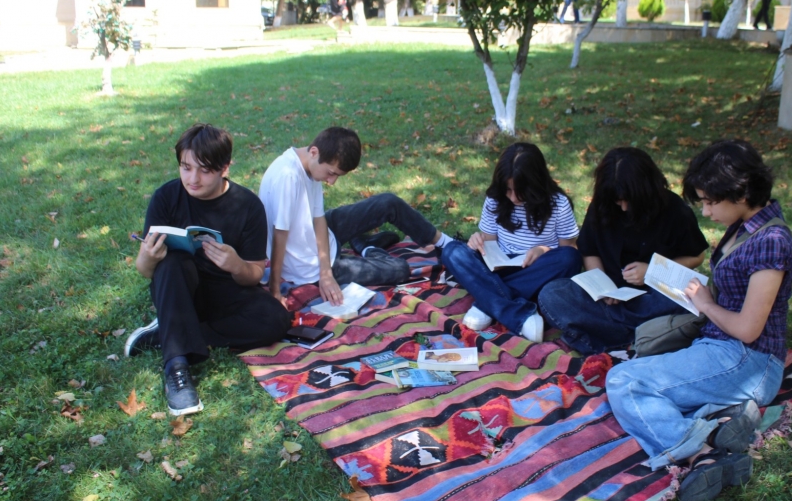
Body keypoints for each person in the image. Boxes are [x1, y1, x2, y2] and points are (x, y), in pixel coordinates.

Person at [606, 139, 792, 501]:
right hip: (726, 351)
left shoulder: (771, 241)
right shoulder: (747, 226)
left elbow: (748, 329)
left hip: (748, 358)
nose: (706, 212)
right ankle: (723, 429)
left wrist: (706, 303)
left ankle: (700, 453)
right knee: (646, 378)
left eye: (710, 201)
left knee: (625, 381)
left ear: (740, 193)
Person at [124, 124, 292, 416]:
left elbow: (254, 274)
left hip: (226, 291)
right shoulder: (166, 197)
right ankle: (177, 369)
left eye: (204, 170)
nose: (193, 179)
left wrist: (236, 264)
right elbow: (144, 270)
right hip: (178, 288)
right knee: (174, 262)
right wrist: (149, 256)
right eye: (185, 168)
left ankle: (170, 330)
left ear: (225, 167)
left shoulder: (248, 205)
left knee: (276, 319)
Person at [538, 147, 708, 355]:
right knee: (552, 294)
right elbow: (589, 251)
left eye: (630, 200)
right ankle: (639, 337)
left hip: (653, 294)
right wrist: (601, 285)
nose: (624, 207)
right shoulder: (602, 207)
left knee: (691, 297)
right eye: (618, 201)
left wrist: (653, 271)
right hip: (610, 298)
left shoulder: (674, 210)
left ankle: (600, 337)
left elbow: (697, 255)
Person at [259, 126, 455, 305]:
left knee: (388, 202)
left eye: (337, 175)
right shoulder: (289, 176)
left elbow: (318, 219)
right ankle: (368, 248)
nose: (332, 181)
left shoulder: (311, 163)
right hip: (307, 266)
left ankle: (446, 244)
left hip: (322, 236)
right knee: (400, 269)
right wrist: (276, 290)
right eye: (330, 173)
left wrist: (325, 270)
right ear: (314, 152)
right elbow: (279, 235)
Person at [442, 143, 582, 343]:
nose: (514, 197)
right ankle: (519, 313)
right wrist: (477, 240)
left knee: (570, 258)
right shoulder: (496, 199)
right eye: (508, 190)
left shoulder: (558, 203)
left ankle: (486, 303)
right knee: (452, 250)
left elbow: (568, 249)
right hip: (499, 268)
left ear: (536, 183)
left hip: (537, 270)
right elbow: (489, 245)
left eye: (521, 191)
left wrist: (543, 250)